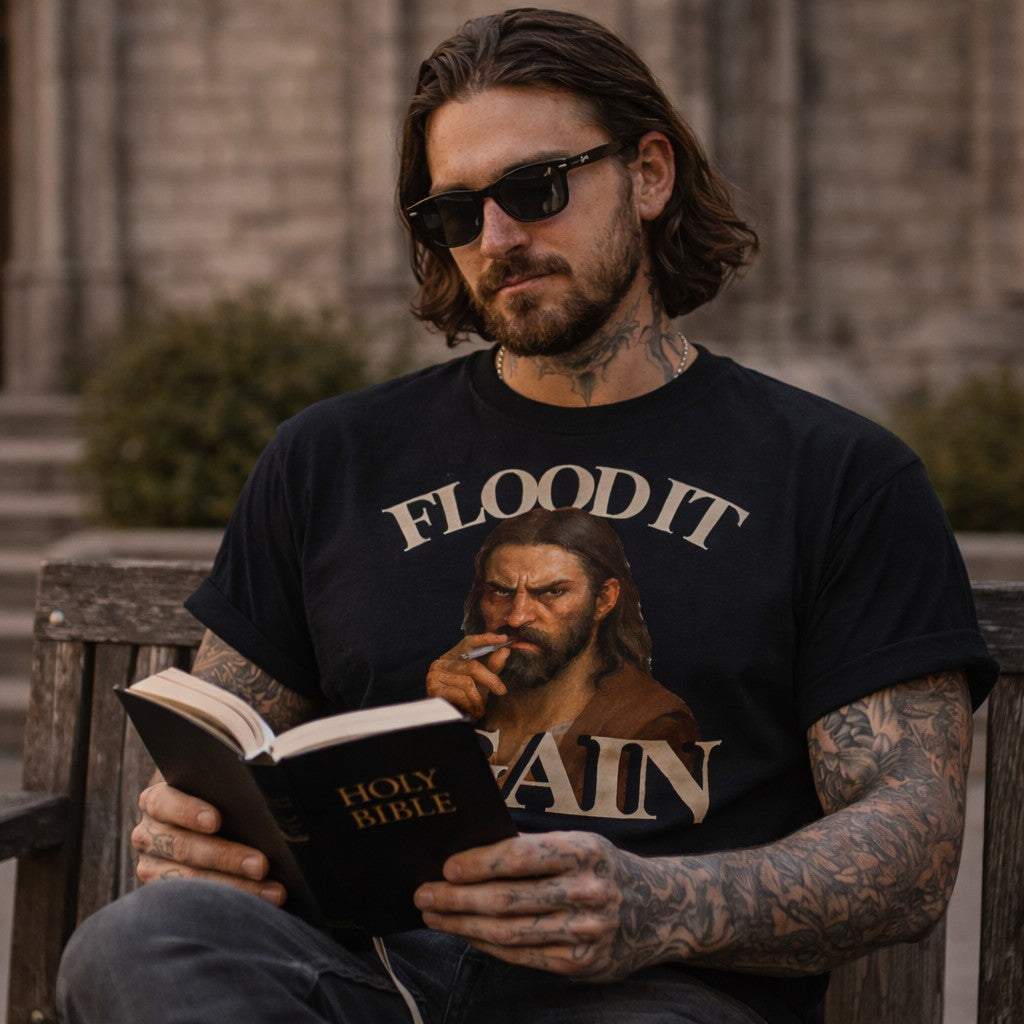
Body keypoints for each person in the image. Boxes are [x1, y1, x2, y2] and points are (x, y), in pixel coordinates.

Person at [57, 8, 998, 1024]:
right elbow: (227, 751)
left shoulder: (835, 474)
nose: (497, 238)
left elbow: (908, 840)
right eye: (453, 215)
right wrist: (194, 829)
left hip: (645, 991)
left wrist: (654, 904)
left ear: (648, 174)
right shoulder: (332, 457)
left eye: (534, 190)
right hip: (369, 979)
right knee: (139, 943)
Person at [428, 506, 701, 809]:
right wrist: (434, 721)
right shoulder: (463, 694)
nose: (517, 617)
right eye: (500, 592)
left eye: (552, 592)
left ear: (604, 599)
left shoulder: (651, 722)